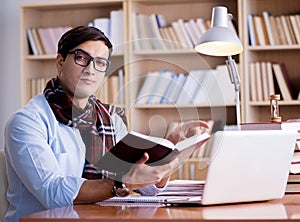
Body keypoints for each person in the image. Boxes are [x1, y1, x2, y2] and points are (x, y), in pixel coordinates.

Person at [4, 26, 209, 222]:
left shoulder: (111, 120)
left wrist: (167, 151)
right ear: (60, 62)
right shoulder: (26, 122)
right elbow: (53, 192)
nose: (91, 69)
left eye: (100, 62)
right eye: (82, 58)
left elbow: (143, 186)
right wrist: (122, 182)